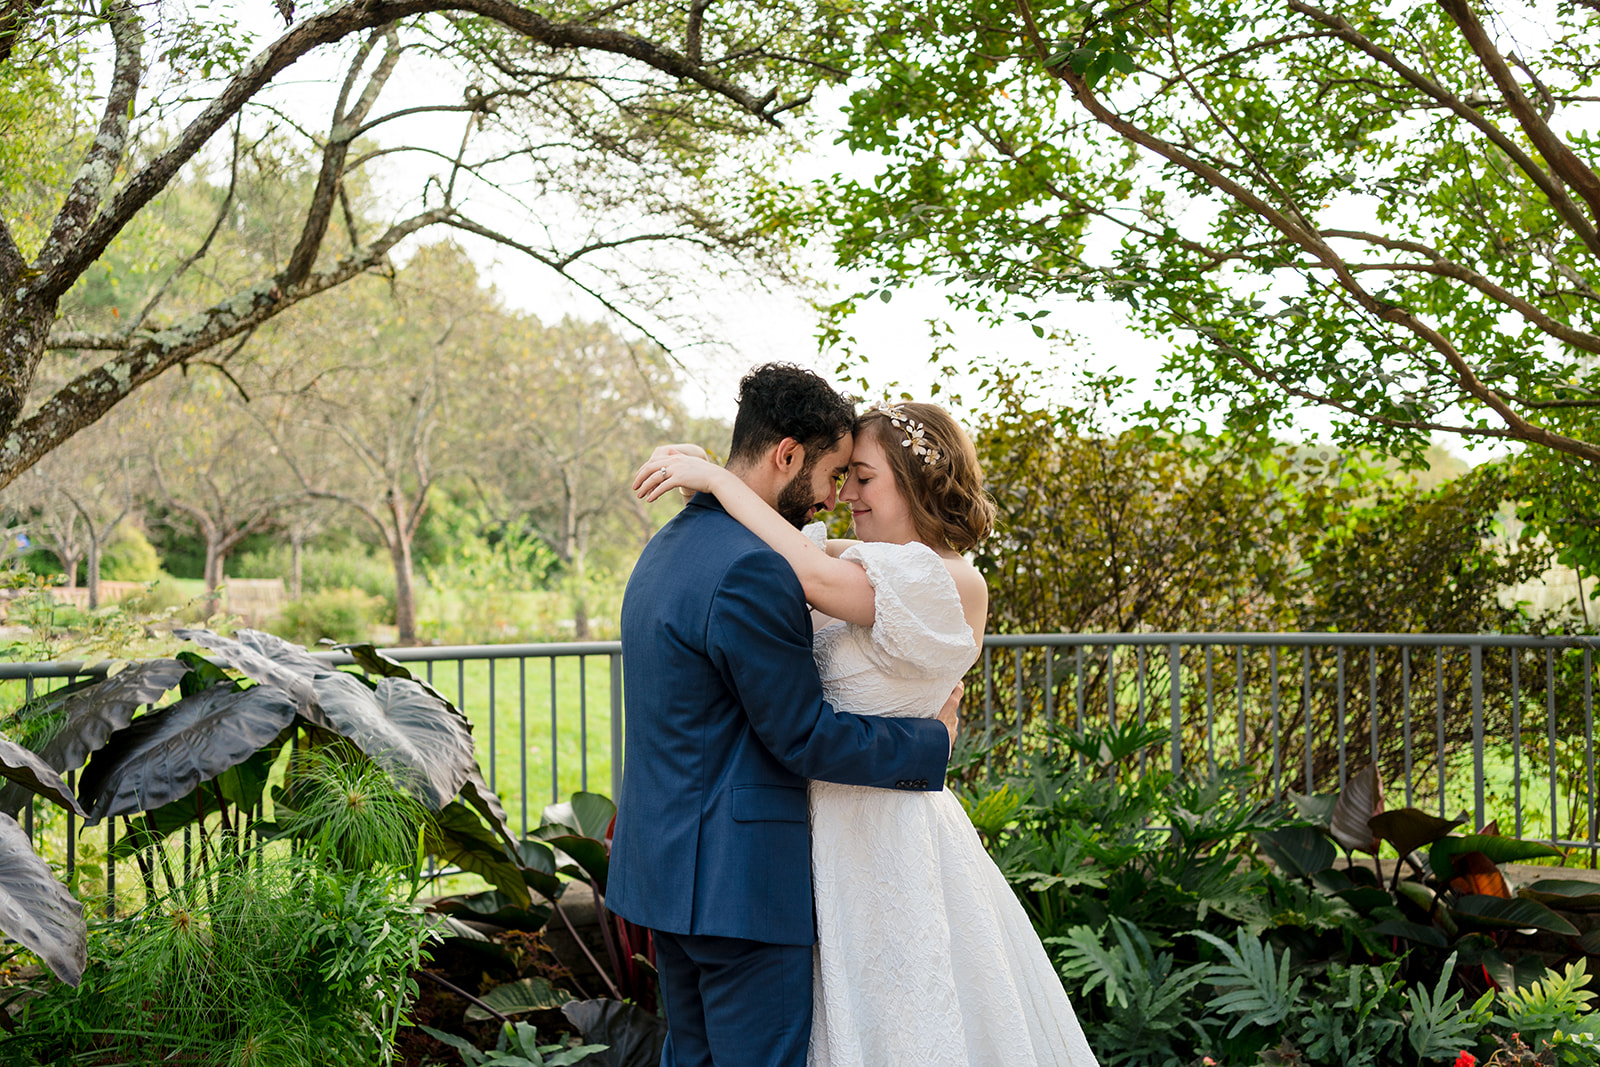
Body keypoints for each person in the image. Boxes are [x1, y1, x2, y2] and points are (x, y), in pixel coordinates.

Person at [635, 400, 1101, 1067]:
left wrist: (720, 482)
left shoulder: (944, 578)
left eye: (862, 476)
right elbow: (800, 547)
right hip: (821, 839)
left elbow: (810, 568)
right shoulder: (869, 564)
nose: (845, 494)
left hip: (887, 834)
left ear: (913, 482)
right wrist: (712, 480)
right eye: (843, 475)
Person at [607, 365, 963, 1067]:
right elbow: (803, 734)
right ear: (788, 455)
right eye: (834, 472)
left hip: (667, 876)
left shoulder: (665, 548)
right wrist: (932, 741)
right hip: (739, 889)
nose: (835, 496)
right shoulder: (753, 567)